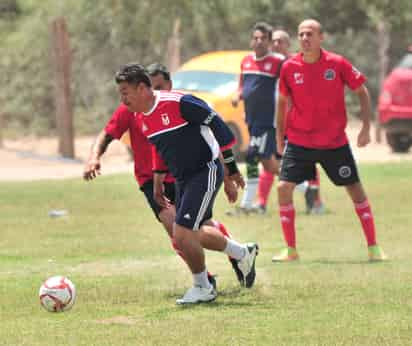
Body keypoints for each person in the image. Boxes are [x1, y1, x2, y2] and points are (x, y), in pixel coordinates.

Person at [83, 63, 251, 300]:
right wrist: (158, 181)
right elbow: (160, 149)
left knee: (182, 233)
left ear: (142, 88)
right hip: (180, 177)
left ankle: (204, 286)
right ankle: (238, 255)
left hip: (204, 170)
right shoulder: (142, 117)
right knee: (185, 234)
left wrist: (231, 168)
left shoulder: (179, 102)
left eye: (125, 93)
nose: (122, 99)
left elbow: (217, 124)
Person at [272, 19, 387, 262]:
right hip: (300, 140)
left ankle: (374, 247)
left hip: (333, 142)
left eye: (310, 34)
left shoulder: (337, 63)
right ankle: (291, 250)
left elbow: (362, 92)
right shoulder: (289, 67)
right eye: (301, 34)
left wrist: (366, 127)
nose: (305, 38)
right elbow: (282, 104)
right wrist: (279, 138)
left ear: (321, 37)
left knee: (355, 189)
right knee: (283, 188)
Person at [229, 22, 284, 215]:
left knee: (252, 156)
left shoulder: (278, 62)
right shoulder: (246, 61)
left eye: (263, 39)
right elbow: (242, 85)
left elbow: (288, 86)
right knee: (268, 164)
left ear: (269, 42)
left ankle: (246, 204)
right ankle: (304, 186)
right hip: (251, 119)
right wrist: (238, 95)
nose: (259, 42)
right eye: (256, 38)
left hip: (267, 120)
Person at [271, 29, 326, 215]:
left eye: (280, 41)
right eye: (274, 41)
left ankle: (315, 201)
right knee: (272, 162)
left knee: (308, 161)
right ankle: (261, 203)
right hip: (279, 123)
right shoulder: (271, 65)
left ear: (288, 44)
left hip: (300, 123)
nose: (276, 45)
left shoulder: (298, 63)